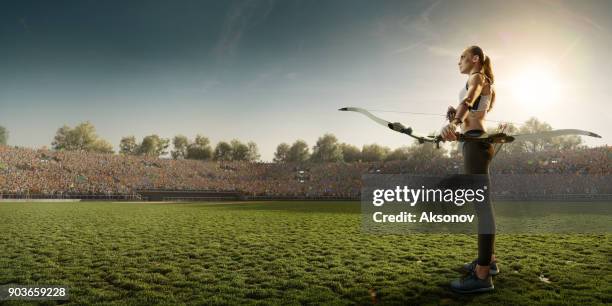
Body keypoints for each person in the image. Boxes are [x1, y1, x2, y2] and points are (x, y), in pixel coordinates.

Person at [440, 45, 498, 293]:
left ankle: (482, 275)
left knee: (482, 209)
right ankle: (490, 262)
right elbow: (473, 112)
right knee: (480, 207)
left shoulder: (477, 77)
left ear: (475, 59)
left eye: (461, 57)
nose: (459, 61)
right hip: (473, 143)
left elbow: (470, 99)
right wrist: (458, 119)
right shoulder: (482, 80)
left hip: (476, 144)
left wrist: (454, 122)